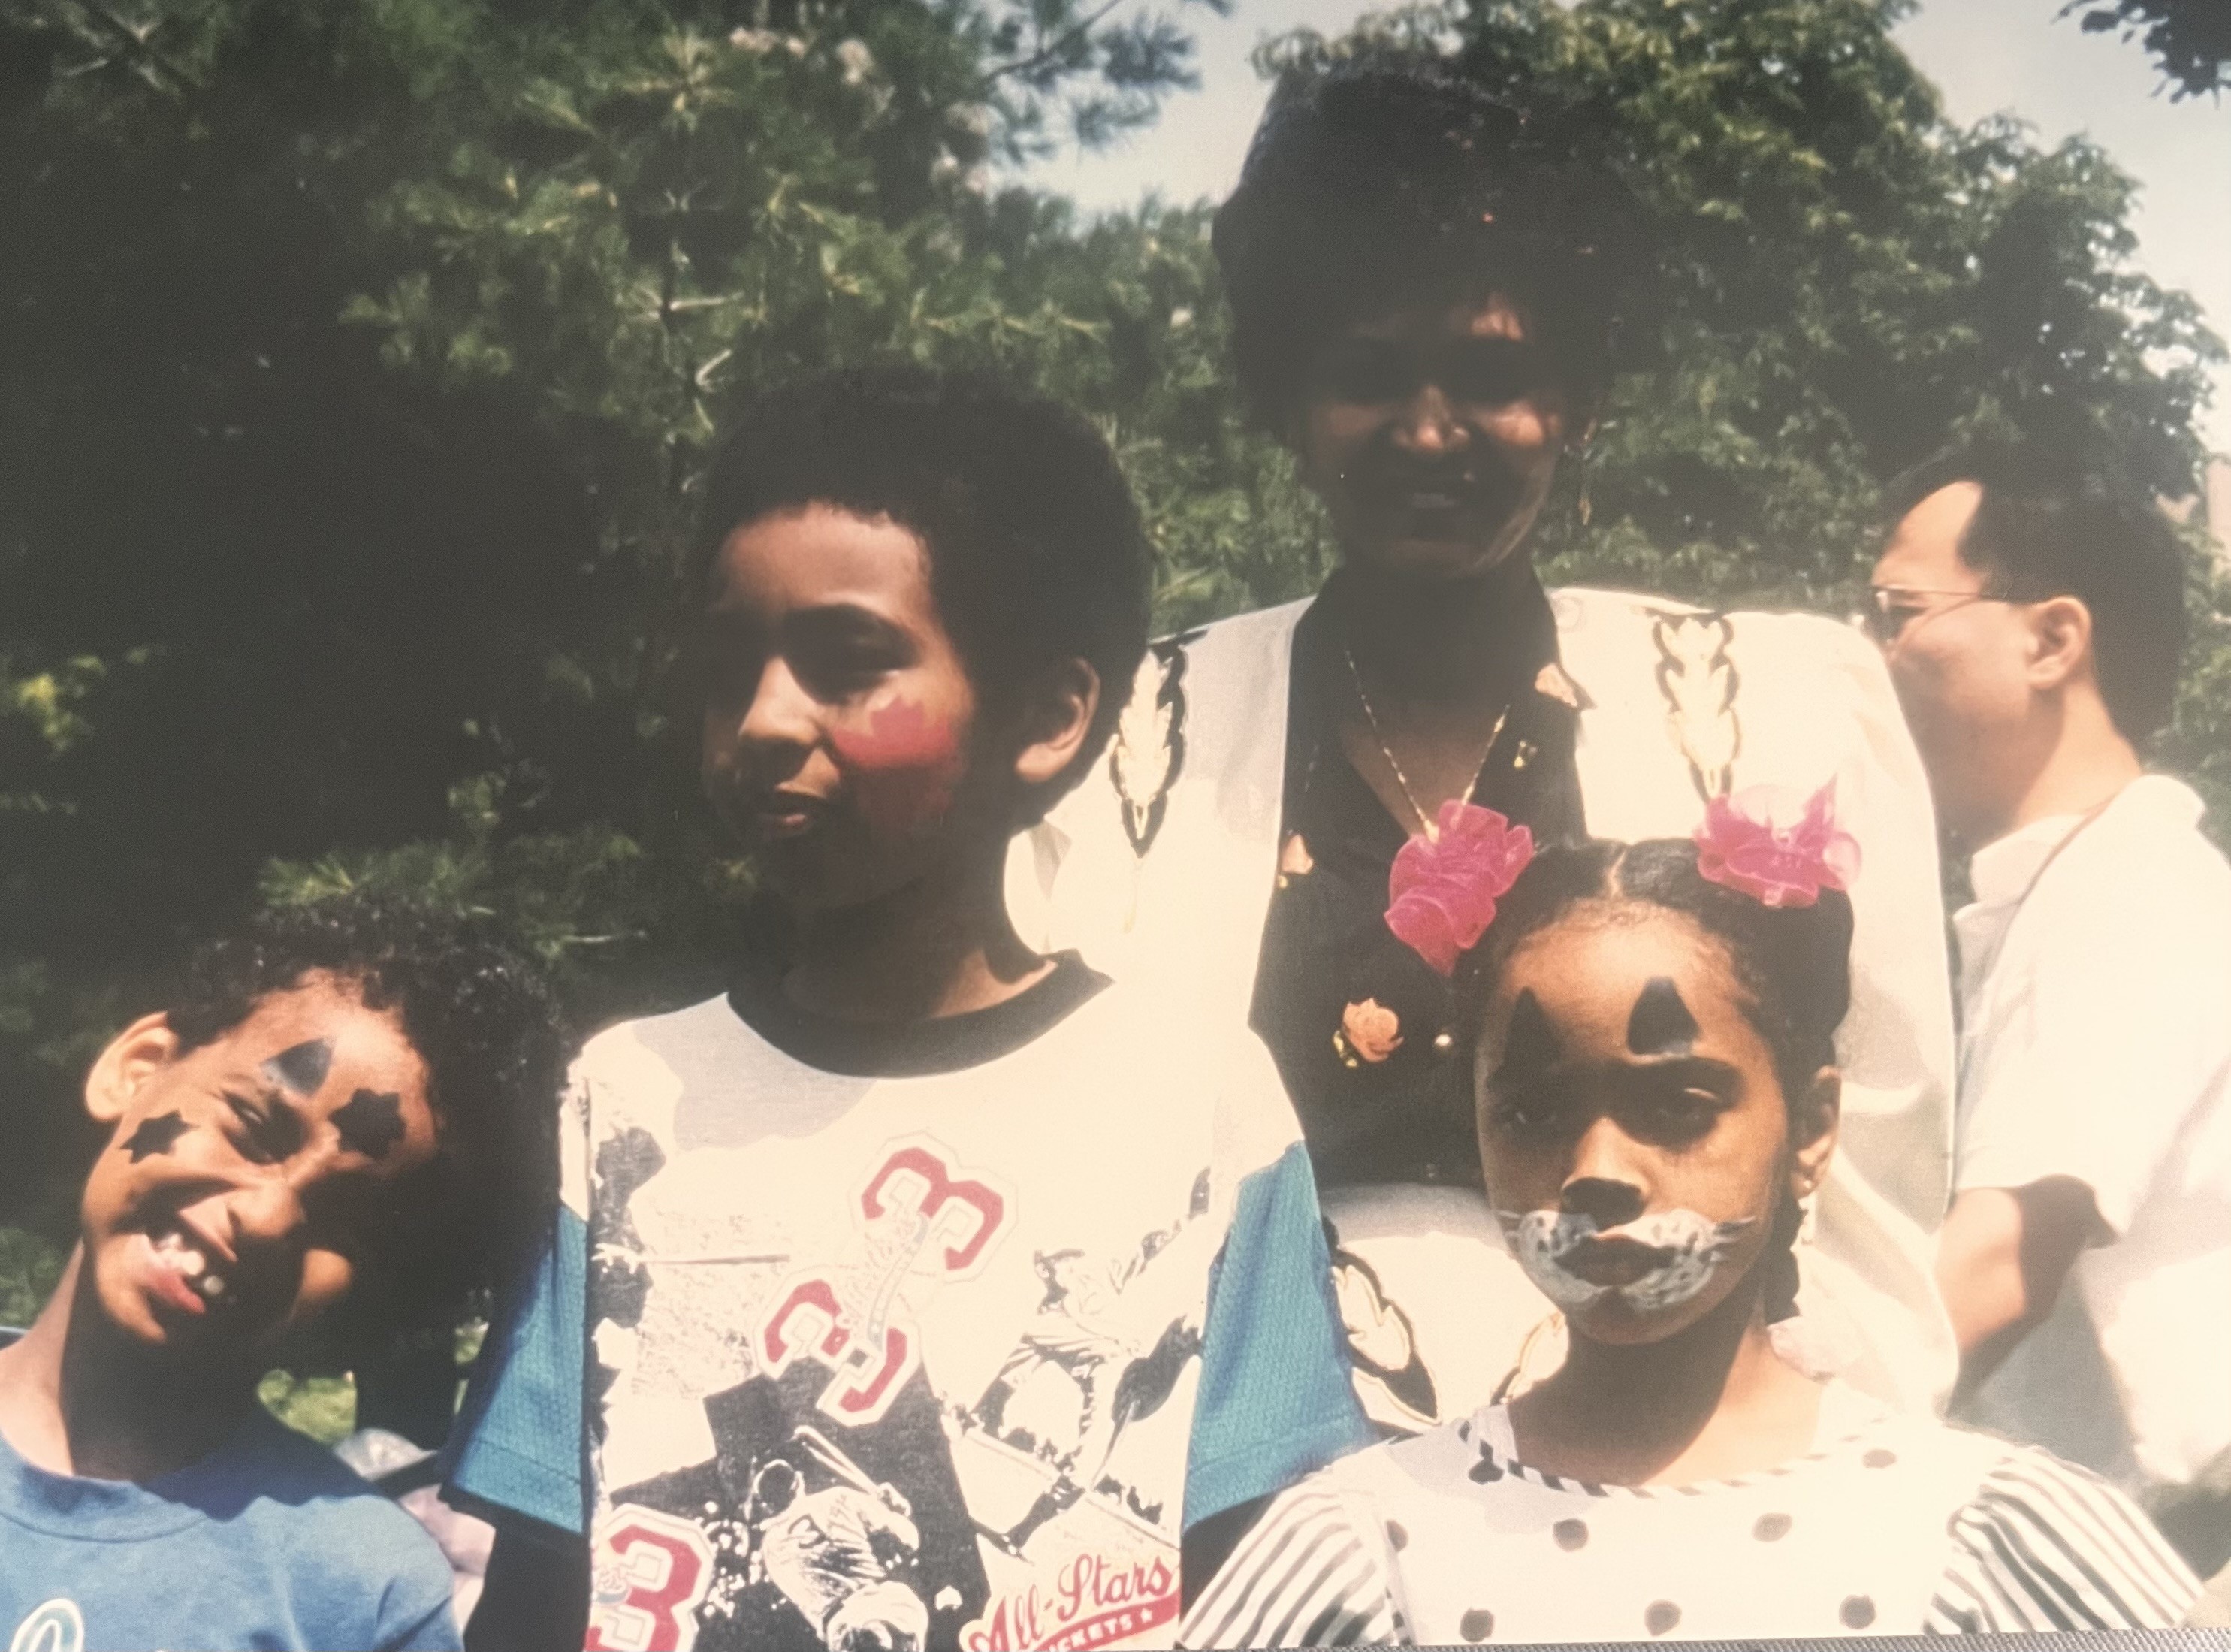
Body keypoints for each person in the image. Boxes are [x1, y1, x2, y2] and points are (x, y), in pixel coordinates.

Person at [1006, 50, 1958, 1442]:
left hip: (1692, 1475)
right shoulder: (1140, 741)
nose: (1431, 429)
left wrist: (1809, 1478)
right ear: (1287, 398)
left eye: (1495, 373)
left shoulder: (1779, 709)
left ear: (1575, 403)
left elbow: (1874, 1173)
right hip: (1249, 1484)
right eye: (1369, 375)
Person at [443, 368, 1371, 1652]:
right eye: (728, 667)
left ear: (1049, 717)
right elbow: (544, 1576)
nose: (764, 720)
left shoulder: (1195, 1092)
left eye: (848, 664)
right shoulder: (628, 1094)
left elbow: (1269, 1565)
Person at [1178, 799, 2199, 1646]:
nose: (1597, 1169)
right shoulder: (1366, 1544)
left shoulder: (1979, 1528)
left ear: (1810, 1126)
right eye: (1532, 1111)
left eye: (1676, 1106)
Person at [0, 895, 563, 1652]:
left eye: (347, 1224)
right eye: (253, 1129)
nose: (265, 1219)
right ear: (137, 1072)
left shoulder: (362, 1598)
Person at [1869, 439, 2231, 1575]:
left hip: (2182, 1566)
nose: (1873, 654)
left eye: (1898, 609)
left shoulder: (2126, 889)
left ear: (2050, 638)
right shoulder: (2068, 890)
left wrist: (1765, 1453)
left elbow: (1998, 1262)